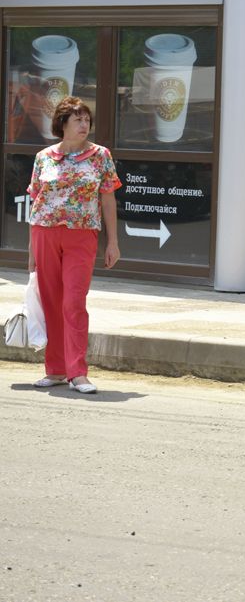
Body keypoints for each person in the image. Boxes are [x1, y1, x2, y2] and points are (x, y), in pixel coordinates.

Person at [27, 97, 122, 394]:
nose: (84, 125)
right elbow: (36, 202)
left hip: (82, 234)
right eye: (78, 119)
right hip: (45, 233)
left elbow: (108, 198)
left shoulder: (100, 156)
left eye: (86, 120)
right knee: (52, 302)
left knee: (73, 302)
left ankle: (78, 373)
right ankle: (55, 369)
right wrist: (31, 253)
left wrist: (113, 243)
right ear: (62, 123)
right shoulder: (44, 157)